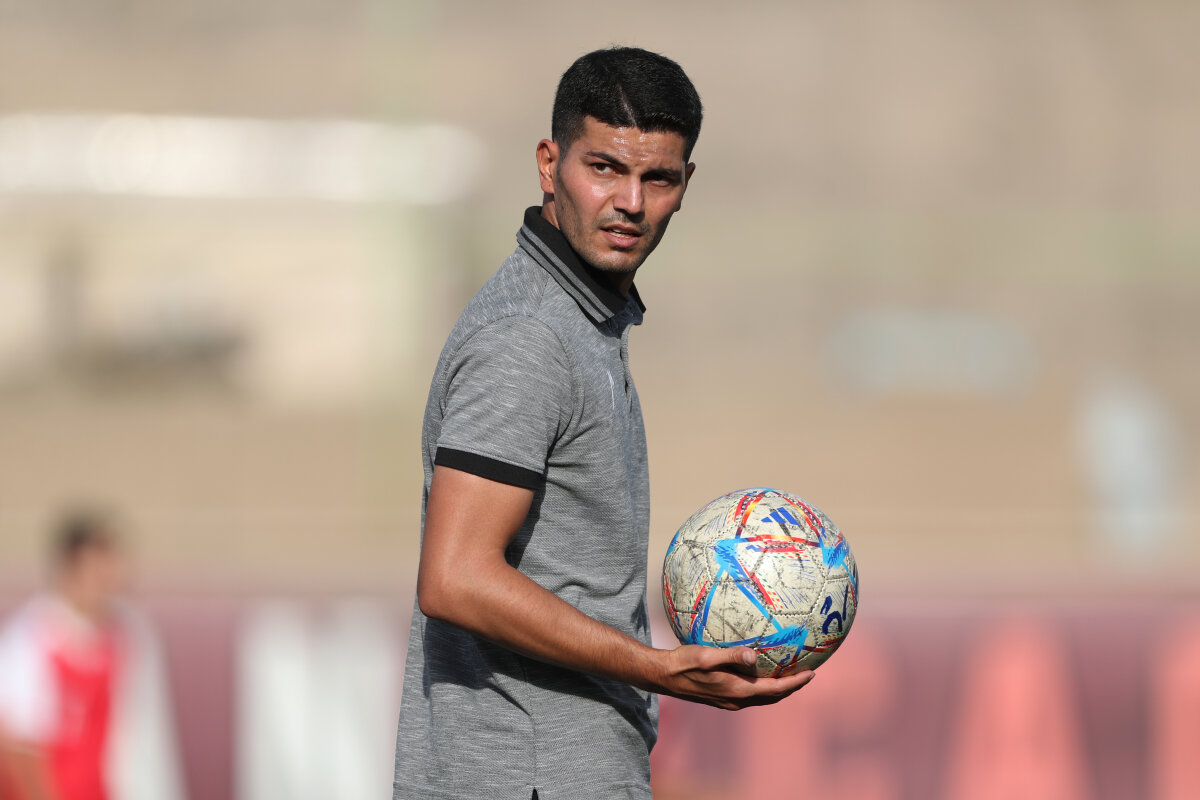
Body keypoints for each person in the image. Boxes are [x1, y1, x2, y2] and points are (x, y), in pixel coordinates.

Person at [393, 46, 814, 800]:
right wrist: (656, 668)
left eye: (658, 179)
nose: (630, 201)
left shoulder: (580, 322)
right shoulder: (528, 339)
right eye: (604, 168)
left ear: (685, 186)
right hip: (524, 778)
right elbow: (455, 577)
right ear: (548, 164)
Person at [0, 512, 126, 800]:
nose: (105, 583)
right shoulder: (31, 639)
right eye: (94, 572)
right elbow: (20, 747)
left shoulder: (113, 639)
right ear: (68, 569)